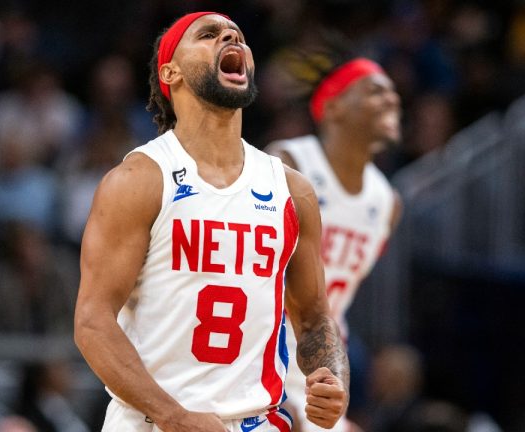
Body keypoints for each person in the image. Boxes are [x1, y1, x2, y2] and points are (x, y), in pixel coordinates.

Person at [74, 11, 349, 432]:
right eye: (208, 34)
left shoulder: (292, 191)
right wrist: (173, 416)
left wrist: (332, 378)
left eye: (237, 35)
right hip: (153, 423)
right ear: (171, 71)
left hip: (258, 421)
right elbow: (93, 323)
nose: (230, 38)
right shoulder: (138, 181)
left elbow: (314, 319)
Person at [266, 56, 404, 431]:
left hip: (319, 367)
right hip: (259, 354)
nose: (392, 100)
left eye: (393, 93)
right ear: (333, 107)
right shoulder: (289, 162)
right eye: (375, 91)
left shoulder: (387, 202)